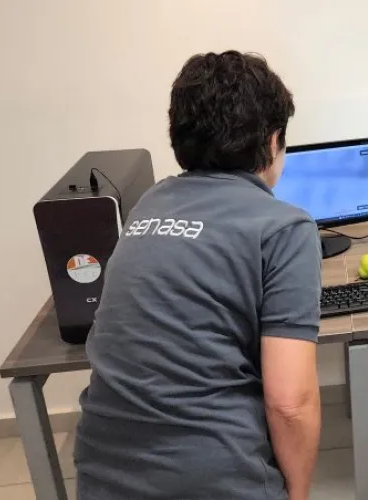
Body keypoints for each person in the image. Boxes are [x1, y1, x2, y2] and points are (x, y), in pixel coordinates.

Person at [74, 51, 322, 500]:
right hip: (211, 479)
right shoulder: (285, 227)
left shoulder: (149, 204)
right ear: (273, 142)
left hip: (100, 473)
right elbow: (290, 404)